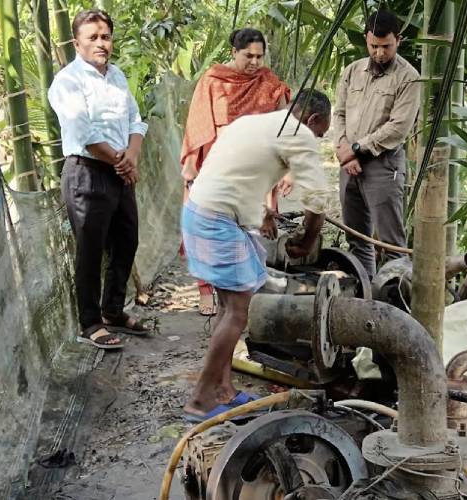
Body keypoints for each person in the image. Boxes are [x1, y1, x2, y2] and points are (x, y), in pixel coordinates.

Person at [181, 90, 333, 422]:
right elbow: (318, 201)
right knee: (238, 311)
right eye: (320, 134)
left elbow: (235, 172)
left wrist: (263, 212)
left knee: (226, 305)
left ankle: (224, 390)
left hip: (199, 211)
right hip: (218, 220)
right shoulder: (299, 134)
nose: (317, 140)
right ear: (313, 121)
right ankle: (200, 400)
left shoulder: (255, 122)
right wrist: (307, 241)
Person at [48, 9, 151, 350]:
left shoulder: (117, 76)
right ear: (76, 42)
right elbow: (83, 132)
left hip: (120, 170)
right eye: (92, 37)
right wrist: (119, 161)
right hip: (87, 174)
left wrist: (130, 158)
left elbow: (135, 120)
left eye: (105, 36)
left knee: (126, 241)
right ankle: (90, 323)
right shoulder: (67, 81)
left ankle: (113, 311)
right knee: (90, 251)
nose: (100, 43)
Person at [180, 28, 293, 316]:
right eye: (248, 56)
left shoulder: (269, 82)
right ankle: (207, 289)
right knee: (211, 232)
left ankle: (244, 292)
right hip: (216, 167)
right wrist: (192, 165)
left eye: (259, 56)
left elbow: (285, 125)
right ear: (233, 52)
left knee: (248, 233)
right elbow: (197, 123)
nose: (255, 62)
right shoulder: (214, 81)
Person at [333, 10, 421, 276]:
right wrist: (344, 151)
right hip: (348, 166)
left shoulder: (409, 77)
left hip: (383, 165)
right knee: (357, 239)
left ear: (399, 41)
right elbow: (339, 114)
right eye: (374, 46)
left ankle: (394, 304)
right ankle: (365, 298)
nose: (380, 53)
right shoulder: (352, 72)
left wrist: (357, 149)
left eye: (387, 46)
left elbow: (398, 128)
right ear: (366, 40)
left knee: (391, 244)